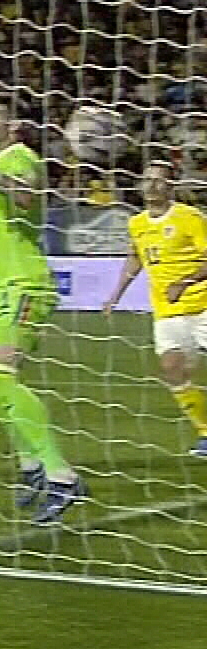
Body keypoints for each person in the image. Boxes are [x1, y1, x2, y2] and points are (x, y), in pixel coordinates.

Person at [0, 100, 83, 523]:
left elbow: (24, 195)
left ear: (14, 126)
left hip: (27, 285)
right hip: (4, 289)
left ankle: (62, 475)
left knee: (0, 378)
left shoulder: (22, 158)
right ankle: (32, 467)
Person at [104, 160, 207, 459]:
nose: (151, 186)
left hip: (202, 305)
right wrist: (115, 295)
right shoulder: (136, 223)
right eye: (146, 180)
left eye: (158, 180)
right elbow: (135, 258)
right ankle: (204, 431)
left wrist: (185, 283)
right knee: (172, 369)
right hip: (167, 311)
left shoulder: (190, 218)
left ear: (171, 186)